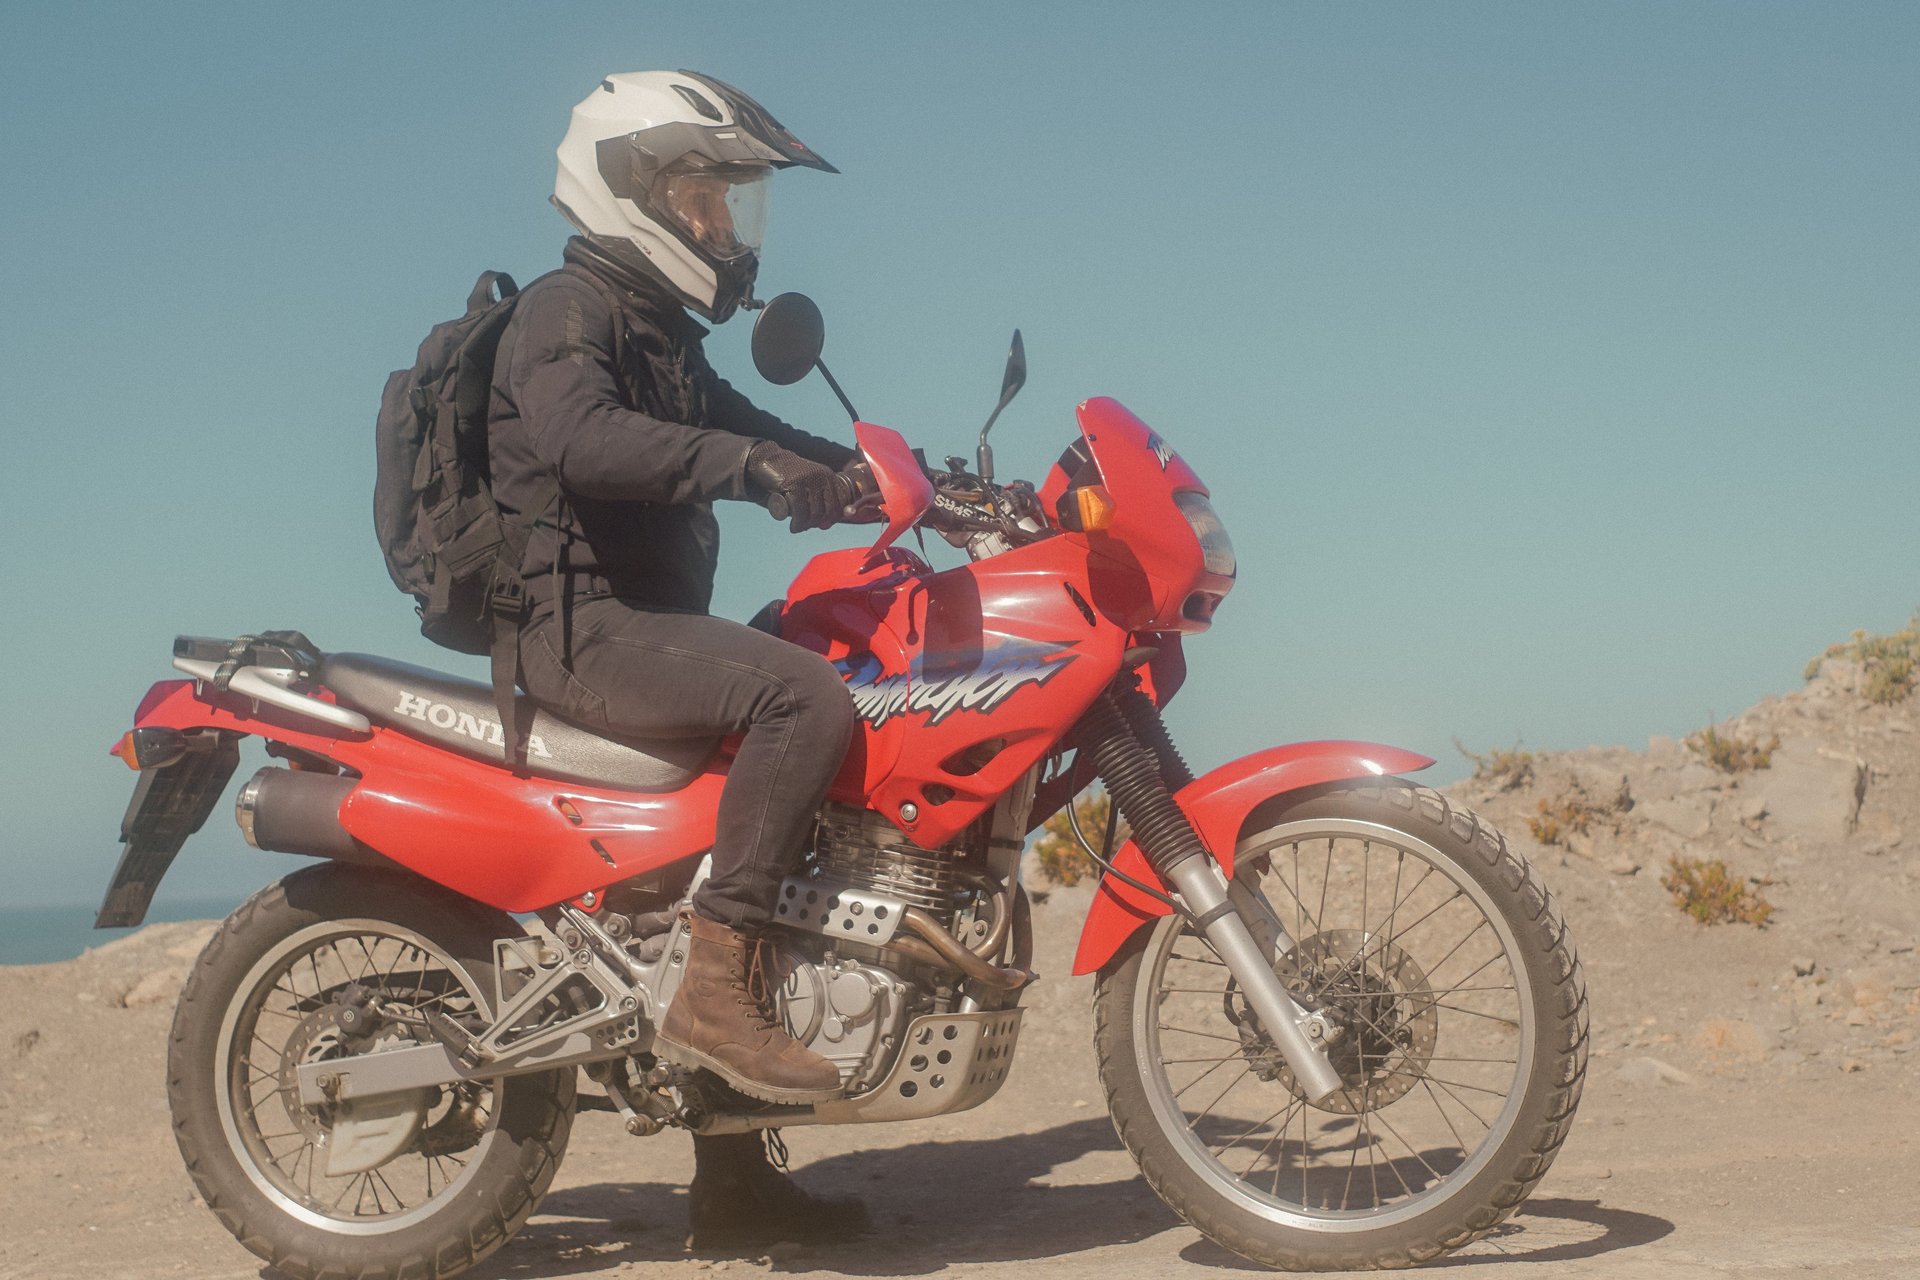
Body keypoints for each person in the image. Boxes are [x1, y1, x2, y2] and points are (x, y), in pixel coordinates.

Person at [486, 69, 867, 1247]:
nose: (723, 227)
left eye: (726, 205)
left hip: (644, 626)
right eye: (705, 198)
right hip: (580, 631)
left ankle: (737, 1177)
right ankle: (714, 991)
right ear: (635, 189)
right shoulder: (565, 308)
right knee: (801, 698)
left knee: (824, 654)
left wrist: (886, 482)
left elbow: (749, 426)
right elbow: (579, 435)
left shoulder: (653, 329)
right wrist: (752, 473)